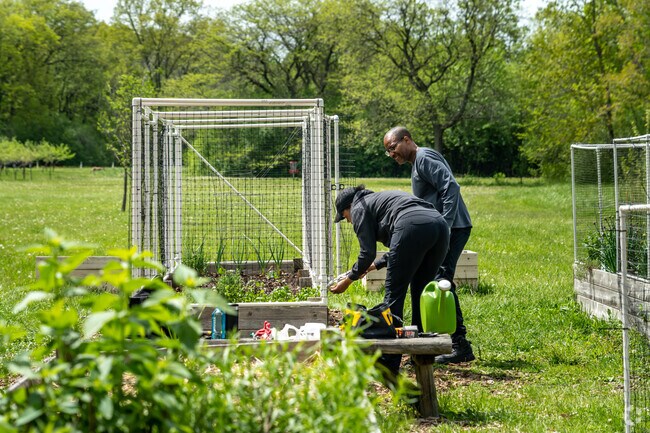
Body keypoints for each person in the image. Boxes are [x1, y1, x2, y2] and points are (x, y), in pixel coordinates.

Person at [330, 185, 450, 376]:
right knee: (420, 292)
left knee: (393, 296)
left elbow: (367, 251)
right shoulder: (380, 200)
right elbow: (404, 241)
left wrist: (349, 279)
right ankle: (420, 353)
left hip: (414, 227)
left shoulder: (359, 208)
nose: (347, 220)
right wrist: (374, 265)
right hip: (440, 226)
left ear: (348, 207)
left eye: (344, 216)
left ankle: (390, 361)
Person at [383, 126, 475, 364]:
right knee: (435, 281)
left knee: (441, 281)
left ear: (407, 139)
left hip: (452, 229)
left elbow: (451, 187)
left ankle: (459, 345)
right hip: (444, 230)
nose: (392, 154)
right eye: (388, 152)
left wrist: (445, 225)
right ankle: (438, 340)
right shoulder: (418, 161)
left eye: (393, 148)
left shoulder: (423, 158)